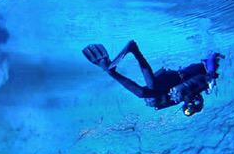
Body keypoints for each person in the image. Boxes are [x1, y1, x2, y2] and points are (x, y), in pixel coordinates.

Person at [83, 40, 221, 115]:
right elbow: (211, 59)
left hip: (167, 84)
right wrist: (212, 73)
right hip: (172, 78)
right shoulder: (205, 73)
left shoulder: (198, 86)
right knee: (148, 90)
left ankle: (112, 70)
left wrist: (160, 101)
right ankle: (132, 51)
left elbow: (184, 95)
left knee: (143, 93)